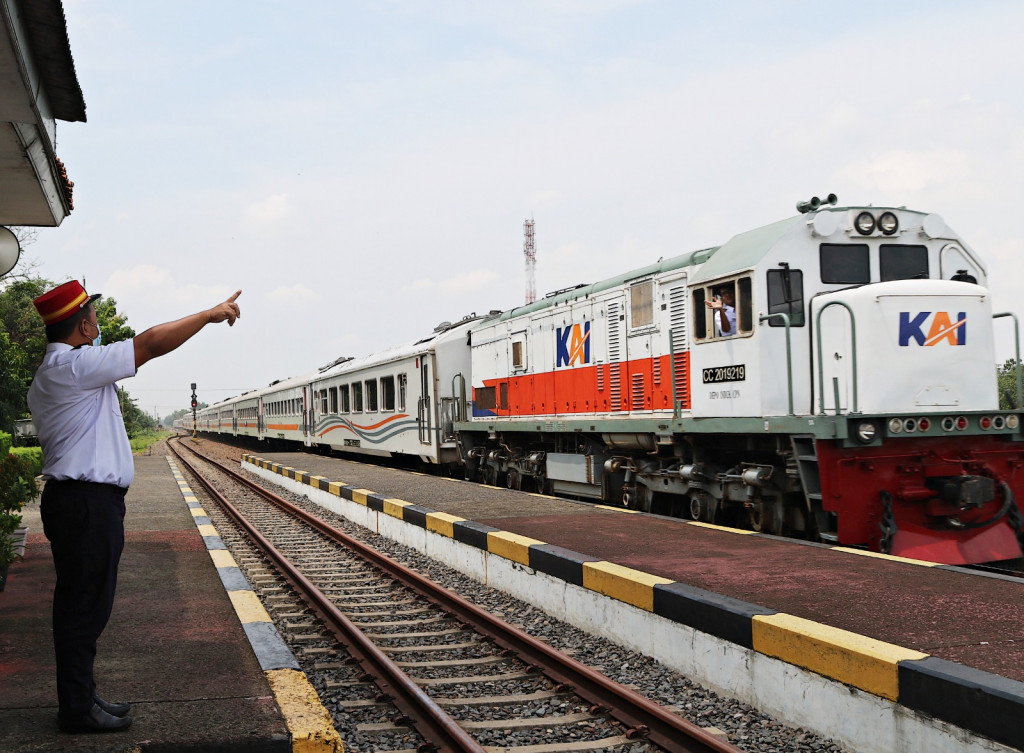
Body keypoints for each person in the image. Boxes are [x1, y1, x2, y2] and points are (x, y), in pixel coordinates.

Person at [26, 280, 241, 734]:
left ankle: (81, 696)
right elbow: (148, 344)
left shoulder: (56, 372)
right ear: (84, 324)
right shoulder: (75, 366)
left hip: (78, 502)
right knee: (85, 606)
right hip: (86, 503)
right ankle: (77, 709)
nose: (99, 325)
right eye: (95, 317)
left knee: (83, 603)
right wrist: (207, 315)